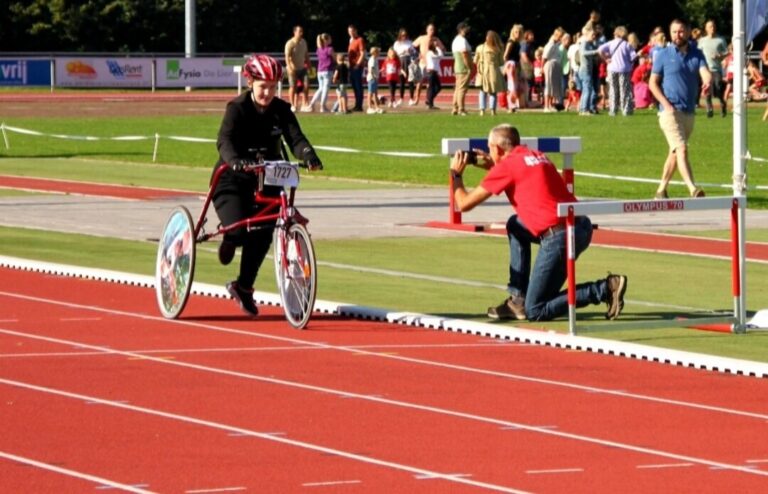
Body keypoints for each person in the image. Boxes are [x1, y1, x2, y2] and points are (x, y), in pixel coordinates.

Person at [449, 123, 628, 322]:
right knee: (515, 225)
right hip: (580, 225)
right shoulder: (535, 155)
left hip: (559, 236)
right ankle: (518, 298)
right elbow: (517, 172)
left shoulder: (507, 167)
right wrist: (491, 164)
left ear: (498, 149)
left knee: (535, 310)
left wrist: (456, 174)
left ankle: (603, 289)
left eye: (490, 148)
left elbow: (464, 203)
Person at [213, 54, 323, 316]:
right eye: (263, 86)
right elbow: (224, 141)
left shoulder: (281, 110)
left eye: (273, 87)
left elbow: (296, 138)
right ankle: (230, 238)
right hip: (233, 179)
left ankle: (243, 287)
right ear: (250, 82)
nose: (268, 92)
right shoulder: (236, 109)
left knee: (262, 234)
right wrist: (237, 161)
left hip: (269, 177)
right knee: (240, 231)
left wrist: (309, 155)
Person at [649, 19, 711, 199]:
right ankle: (693, 189)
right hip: (669, 111)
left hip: (688, 112)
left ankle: (661, 190)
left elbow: (704, 72)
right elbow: (653, 83)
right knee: (682, 148)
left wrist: (707, 82)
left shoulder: (697, 54)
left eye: (681, 31)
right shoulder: (662, 54)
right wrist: (665, 104)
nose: (678, 35)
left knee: (675, 152)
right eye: (674, 32)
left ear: (689, 32)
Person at [598, 25, 637, 116]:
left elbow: (600, 50)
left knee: (613, 90)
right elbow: (634, 57)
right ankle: (626, 110)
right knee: (625, 90)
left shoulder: (611, 43)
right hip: (624, 69)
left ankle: (613, 110)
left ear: (616, 33)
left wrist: (606, 59)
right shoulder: (627, 45)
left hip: (612, 69)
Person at [697, 20, 727, 118]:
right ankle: (709, 108)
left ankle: (722, 104)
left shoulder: (720, 40)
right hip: (706, 69)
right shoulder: (702, 41)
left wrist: (719, 55)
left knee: (718, 88)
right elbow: (697, 53)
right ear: (706, 29)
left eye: (713, 26)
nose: (712, 28)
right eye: (710, 26)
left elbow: (727, 52)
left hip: (716, 69)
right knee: (707, 89)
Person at [474, 30, 504, 116]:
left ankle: (482, 110)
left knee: (482, 91)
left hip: (482, 71)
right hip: (493, 72)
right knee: (493, 92)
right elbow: (501, 62)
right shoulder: (498, 49)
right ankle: (493, 110)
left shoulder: (479, 48)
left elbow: (475, 60)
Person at [304, 33, 335, 113]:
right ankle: (322, 106)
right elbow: (335, 58)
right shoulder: (329, 49)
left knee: (320, 88)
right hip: (327, 71)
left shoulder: (319, 49)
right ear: (326, 40)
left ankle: (311, 104)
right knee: (325, 89)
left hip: (320, 71)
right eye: (329, 39)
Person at [284, 25, 311, 112]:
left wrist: (309, 65)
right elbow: (287, 57)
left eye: (302, 31)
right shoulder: (290, 43)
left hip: (302, 68)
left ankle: (304, 104)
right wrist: (289, 67)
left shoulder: (303, 42)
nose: (301, 33)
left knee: (306, 85)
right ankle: (292, 105)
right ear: (294, 32)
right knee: (293, 87)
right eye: (299, 31)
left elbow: (306, 55)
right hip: (293, 69)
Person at [451, 21, 473, 116]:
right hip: (463, 67)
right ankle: (461, 109)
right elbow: (464, 54)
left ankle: (455, 108)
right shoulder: (462, 40)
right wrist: (469, 66)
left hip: (458, 67)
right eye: (465, 28)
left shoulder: (456, 40)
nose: (467, 29)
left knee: (457, 88)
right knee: (462, 89)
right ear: (461, 29)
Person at [578, 27, 600, 116]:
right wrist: (595, 52)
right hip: (585, 70)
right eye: (592, 35)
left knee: (586, 90)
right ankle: (584, 110)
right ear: (586, 35)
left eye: (595, 35)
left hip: (587, 70)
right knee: (587, 90)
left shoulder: (590, 44)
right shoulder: (584, 43)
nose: (594, 36)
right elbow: (583, 53)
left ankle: (583, 109)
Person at [542, 27, 565, 112]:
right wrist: (542, 68)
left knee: (553, 86)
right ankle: (546, 106)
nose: (561, 38)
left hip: (555, 65)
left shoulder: (556, 44)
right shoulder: (550, 44)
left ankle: (551, 105)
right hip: (550, 64)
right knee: (548, 85)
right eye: (560, 36)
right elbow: (544, 57)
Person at [393, 28, 415, 106]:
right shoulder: (396, 43)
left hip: (409, 60)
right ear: (400, 35)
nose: (404, 37)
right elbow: (394, 54)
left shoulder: (410, 42)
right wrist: (402, 52)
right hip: (400, 60)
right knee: (401, 81)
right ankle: (401, 98)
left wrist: (410, 51)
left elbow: (414, 52)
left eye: (405, 35)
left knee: (411, 80)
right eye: (402, 35)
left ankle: (411, 99)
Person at [347, 24, 366, 112]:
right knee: (354, 85)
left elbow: (362, 53)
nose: (350, 33)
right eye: (349, 31)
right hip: (351, 66)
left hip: (357, 66)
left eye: (352, 31)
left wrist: (358, 64)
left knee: (358, 86)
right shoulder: (351, 40)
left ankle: (359, 105)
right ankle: (357, 104)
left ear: (355, 30)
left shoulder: (360, 40)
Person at [424, 40, 444, 109]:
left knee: (438, 87)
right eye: (435, 44)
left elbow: (441, 56)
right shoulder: (429, 53)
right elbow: (439, 56)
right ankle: (430, 103)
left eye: (437, 44)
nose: (436, 45)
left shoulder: (436, 52)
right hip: (431, 72)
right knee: (431, 88)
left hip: (435, 72)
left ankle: (429, 100)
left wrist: (438, 48)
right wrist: (438, 48)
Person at [366, 46, 384, 114]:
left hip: (374, 78)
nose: (379, 53)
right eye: (378, 52)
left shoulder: (375, 59)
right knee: (370, 93)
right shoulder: (372, 60)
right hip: (372, 78)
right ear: (375, 53)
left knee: (375, 93)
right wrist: (374, 77)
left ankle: (377, 107)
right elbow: (371, 69)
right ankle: (369, 108)